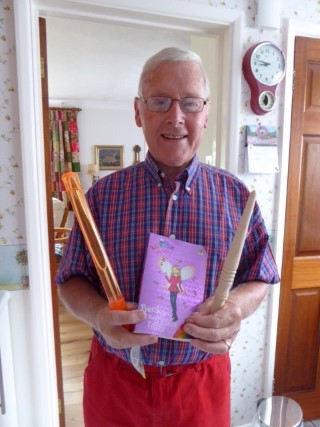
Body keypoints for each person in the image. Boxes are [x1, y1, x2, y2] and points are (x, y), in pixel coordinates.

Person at [56, 47, 280, 427]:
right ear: (138, 111)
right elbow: (69, 281)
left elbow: (260, 274)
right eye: (159, 101)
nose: (176, 117)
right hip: (117, 379)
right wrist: (98, 315)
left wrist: (236, 309)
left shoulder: (237, 197)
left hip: (201, 383)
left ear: (206, 113)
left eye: (190, 103)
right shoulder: (101, 197)